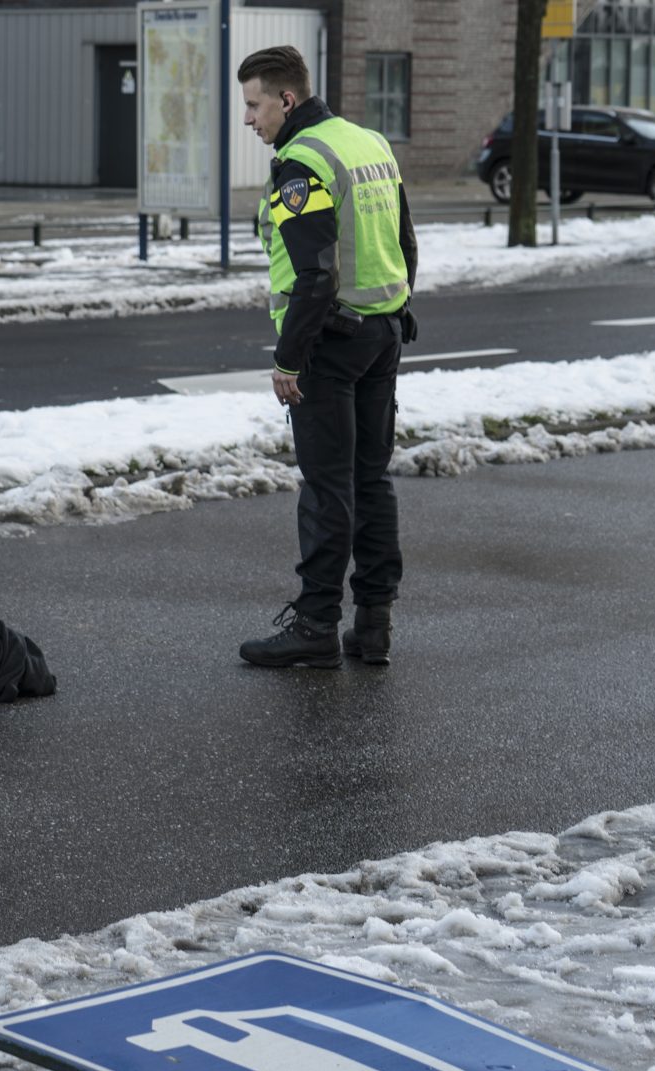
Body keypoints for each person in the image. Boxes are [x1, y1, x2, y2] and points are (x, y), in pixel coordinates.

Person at [233, 45, 419, 670]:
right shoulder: (368, 142)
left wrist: (289, 360)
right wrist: (398, 306)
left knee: (326, 489)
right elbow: (404, 240)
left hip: (328, 345)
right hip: (383, 332)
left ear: (286, 100)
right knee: (371, 479)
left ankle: (315, 624)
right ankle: (374, 624)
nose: (250, 120)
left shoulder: (301, 163)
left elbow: (314, 276)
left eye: (255, 105)